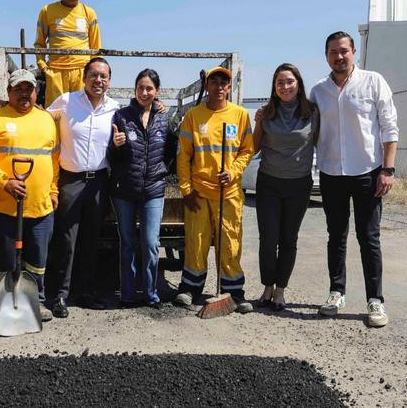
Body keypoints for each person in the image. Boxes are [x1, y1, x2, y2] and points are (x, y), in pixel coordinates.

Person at [310, 31, 399, 327]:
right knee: (336, 236)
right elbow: (307, 130)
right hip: (332, 173)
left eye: (344, 51)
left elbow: (389, 127)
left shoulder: (373, 82)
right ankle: (336, 292)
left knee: (368, 237)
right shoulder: (318, 91)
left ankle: (375, 300)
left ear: (354, 52)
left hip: (368, 173)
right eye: (333, 52)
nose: (339, 56)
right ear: (326, 56)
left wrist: (387, 170)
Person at [0, 69, 59, 322]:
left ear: (36, 91)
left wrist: (53, 189)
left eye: (29, 89)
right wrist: (4, 182)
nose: (24, 93)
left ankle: (36, 302)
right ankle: (4, 305)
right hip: (4, 207)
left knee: (37, 261)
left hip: (41, 206)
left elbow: (54, 158)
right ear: (8, 92)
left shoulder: (46, 119)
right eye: (18, 89)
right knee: (6, 260)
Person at [174, 66, 255, 313]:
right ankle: (190, 288)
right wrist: (186, 190)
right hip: (199, 193)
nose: (219, 86)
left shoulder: (240, 115)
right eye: (214, 82)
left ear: (229, 87)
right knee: (196, 242)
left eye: (223, 82)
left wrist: (232, 171)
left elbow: (247, 150)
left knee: (230, 242)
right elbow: (183, 155)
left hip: (228, 194)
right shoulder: (193, 116)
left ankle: (234, 292)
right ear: (207, 86)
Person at [46, 57, 119, 318]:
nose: (98, 80)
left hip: (99, 182)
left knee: (91, 239)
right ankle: (59, 295)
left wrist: (157, 106)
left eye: (103, 76)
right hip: (71, 180)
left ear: (109, 81)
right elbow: (41, 118)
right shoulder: (67, 101)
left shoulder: (114, 108)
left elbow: (137, 115)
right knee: (66, 239)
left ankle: (85, 291)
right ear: (84, 77)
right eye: (94, 75)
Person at [251, 63, 319, 311]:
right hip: (269, 182)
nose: (285, 86)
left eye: (290, 81)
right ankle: (267, 287)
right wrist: (258, 123)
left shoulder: (312, 112)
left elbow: (321, 142)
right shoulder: (266, 112)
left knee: (288, 240)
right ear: (274, 87)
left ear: (298, 84)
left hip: (298, 184)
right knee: (268, 239)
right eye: (280, 82)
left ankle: (280, 291)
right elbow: (254, 147)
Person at [108, 69, 177, 309]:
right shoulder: (121, 117)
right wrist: (115, 146)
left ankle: (151, 294)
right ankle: (127, 294)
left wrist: (162, 171)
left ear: (157, 91)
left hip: (153, 191)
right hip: (124, 190)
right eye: (140, 88)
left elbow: (171, 151)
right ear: (135, 89)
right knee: (127, 243)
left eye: (149, 88)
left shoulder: (164, 119)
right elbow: (111, 157)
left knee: (150, 243)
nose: (144, 92)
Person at [34, 0, 101, 106]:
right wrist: (44, 68)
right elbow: (39, 44)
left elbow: (96, 48)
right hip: (55, 72)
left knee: (82, 111)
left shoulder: (89, 13)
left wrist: (93, 73)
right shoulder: (47, 11)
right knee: (56, 112)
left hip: (82, 71)